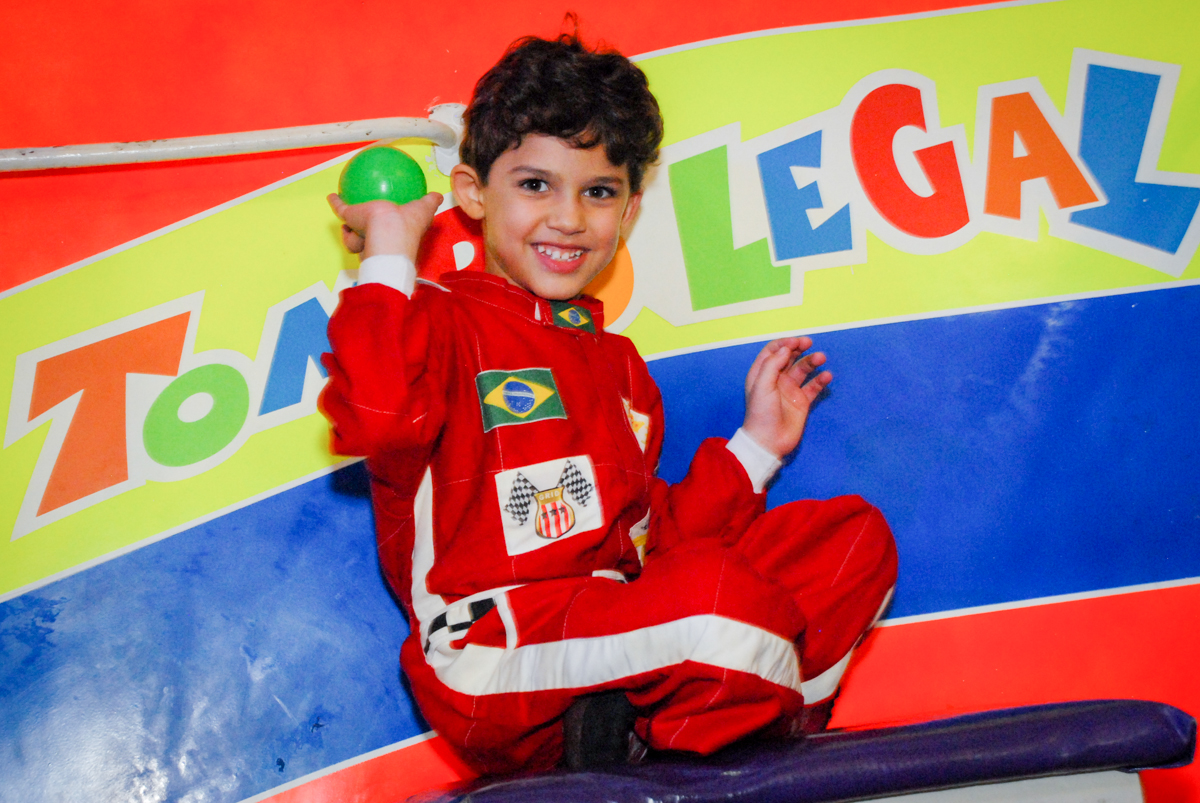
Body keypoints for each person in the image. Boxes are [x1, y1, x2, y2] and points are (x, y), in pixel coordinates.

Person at [321, 32, 897, 776]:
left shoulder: (619, 367)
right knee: (715, 605)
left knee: (851, 542)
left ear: (627, 211)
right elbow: (375, 413)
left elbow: (656, 545)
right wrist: (390, 253)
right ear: (470, 193)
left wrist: (757, 447)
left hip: (625, 634)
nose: (569, 218)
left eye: (598, 192)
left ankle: (666, 729)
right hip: (496, 654)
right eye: (535, 185)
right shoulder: (430, 318)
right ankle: (711, 730)